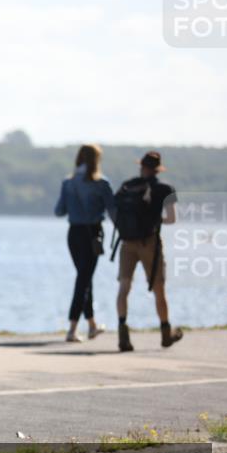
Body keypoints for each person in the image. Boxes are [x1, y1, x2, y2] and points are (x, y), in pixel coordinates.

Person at [114, 152, 182, 352]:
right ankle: (165, 332)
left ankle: (123, 333)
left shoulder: (127, 186)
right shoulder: (166, 189)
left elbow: (114, 211)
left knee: (124, 287)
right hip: (150, 242)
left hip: (126, 242)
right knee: (158, 288)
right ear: (158, 169)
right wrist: (155, 220)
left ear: (141, 166)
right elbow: (172, 219)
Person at [54, 144, 115, 342]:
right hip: (93, 234)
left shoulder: (68, 182)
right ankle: (72, 328)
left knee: (84, 278)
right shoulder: (101, 183)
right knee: (83, 279)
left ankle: (92, 325)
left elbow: (59, 211)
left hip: (74, 234)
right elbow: (113, 212)